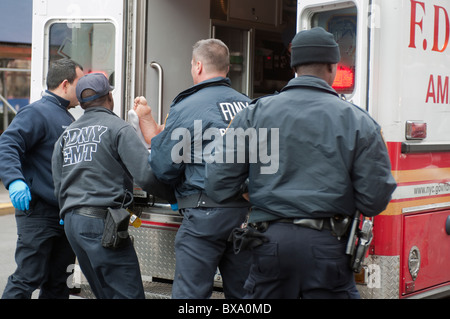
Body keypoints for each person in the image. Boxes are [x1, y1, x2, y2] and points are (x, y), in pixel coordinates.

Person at [204, 27, 397, 299]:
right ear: (333, 67)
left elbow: (217, 181)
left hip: (269, 243)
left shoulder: (254, 115)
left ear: (294, 66)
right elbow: (375, 199)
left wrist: (250, 189)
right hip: (328, 247)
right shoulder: (358, 122)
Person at [134, 39, 252, 299]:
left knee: (191, 296)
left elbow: (164, 167)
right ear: (227, 68)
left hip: (203, 215)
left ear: (198, 66)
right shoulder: (250, 106)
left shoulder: (187, 107)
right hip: (246, 216)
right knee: (246, 295)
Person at [51, 72, 175, 299]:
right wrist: (174, 197)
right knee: (128, 294)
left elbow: (58, 181)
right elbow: (145, 177)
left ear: (82, 102)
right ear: (109, 97)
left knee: (104, 293)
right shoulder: (118, 128)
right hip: (102, 224)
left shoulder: (66, 135)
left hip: (72, 223)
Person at [0, 59, 84, 299]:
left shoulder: (68, 118)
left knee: (59, 283)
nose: (83, 89)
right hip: (38, 213)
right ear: (65, 84)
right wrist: (15, 180)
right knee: (27, 278)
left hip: (63, 216)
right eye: (79, 83)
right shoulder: (36, 112)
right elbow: (8, 144)